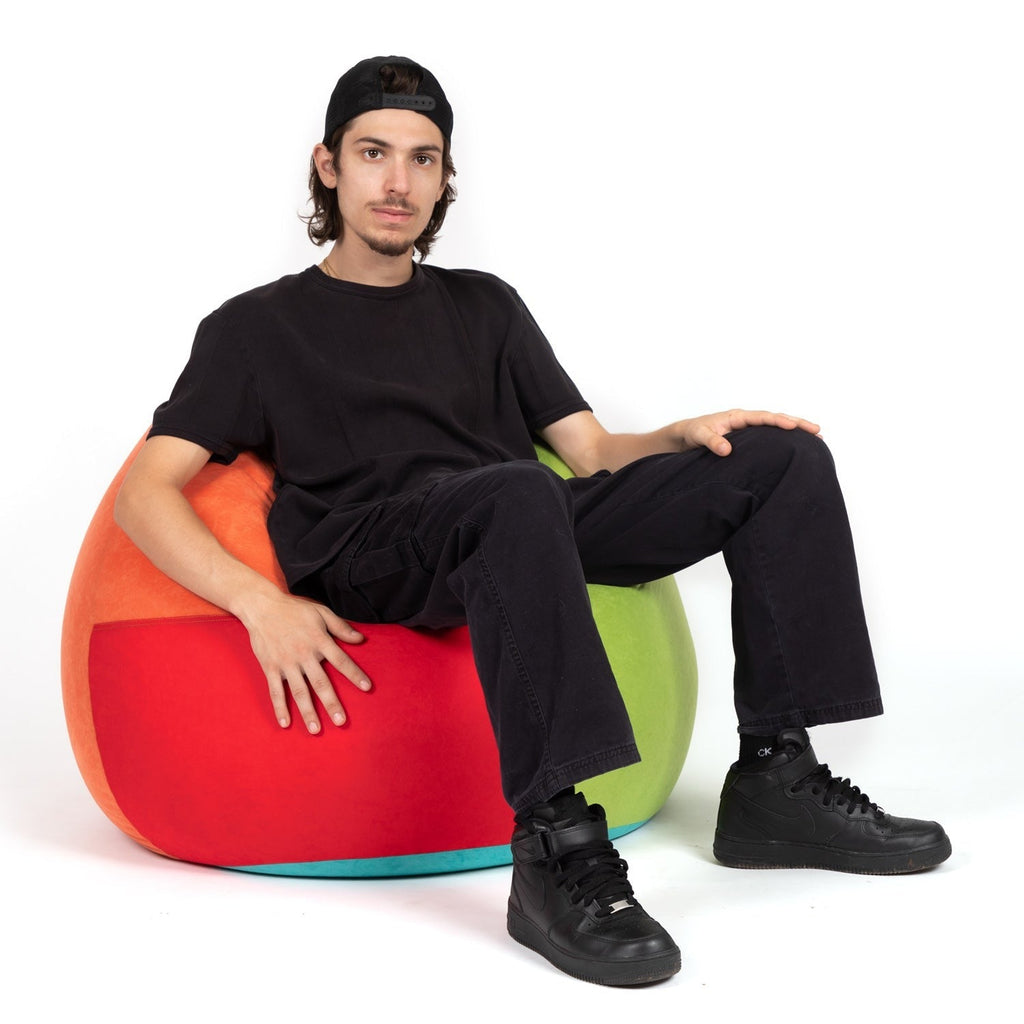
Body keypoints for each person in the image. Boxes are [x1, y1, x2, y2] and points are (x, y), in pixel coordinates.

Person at [114, 55, 951, 987]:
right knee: (516, 490)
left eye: (423, 160)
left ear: (444, 179)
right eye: (373, 154)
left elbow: (590, 454)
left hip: (520, 522)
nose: (398, 183)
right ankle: (555, 846)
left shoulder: (487, 305)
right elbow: (145, 491)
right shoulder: (256, 328)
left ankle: (777, 780)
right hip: (376, 546)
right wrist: (257, 605)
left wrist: (680, 434)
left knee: (779, 457)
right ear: (327, 166)